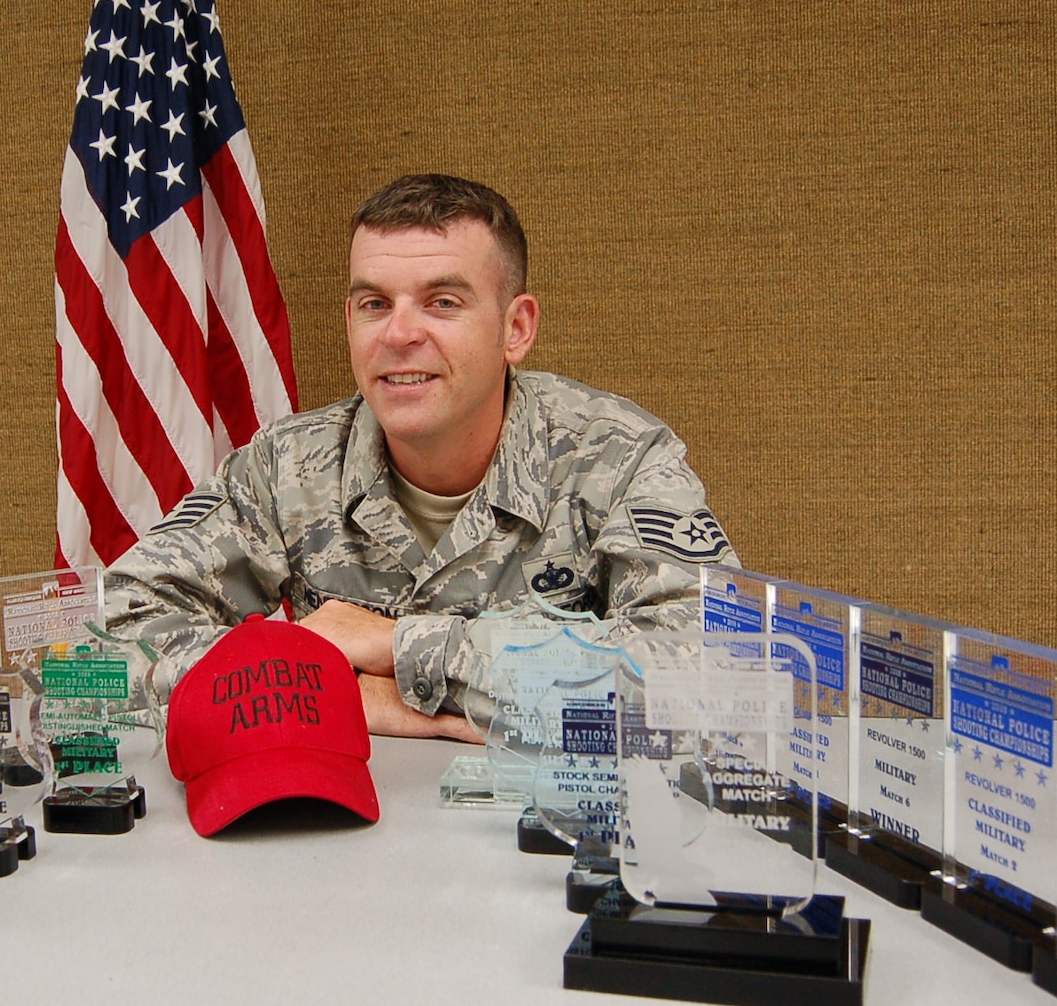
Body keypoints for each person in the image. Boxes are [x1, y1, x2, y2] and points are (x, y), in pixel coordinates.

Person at [104, 173, 737, 742]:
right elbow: (107, 639)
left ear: (515, 329)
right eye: (374, 304)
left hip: (546, 836)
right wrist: (328, 693)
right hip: (339, 829)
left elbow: (715, 674)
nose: (400, 334)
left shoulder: (617, 457)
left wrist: (401, 649)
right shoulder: (286, 468)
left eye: (443, 302)